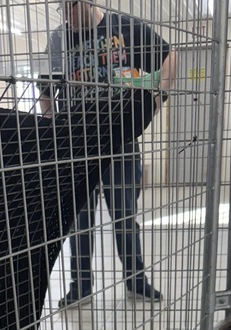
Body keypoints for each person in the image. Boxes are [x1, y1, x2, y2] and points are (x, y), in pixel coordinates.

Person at [39, 0, 176, 308]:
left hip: (120, 143)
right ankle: (80, 287)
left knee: (124, 216)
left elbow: (169, 56)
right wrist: (51, 130)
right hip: (76, 146)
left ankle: (136, 281)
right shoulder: (59, 38)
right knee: (80, 220)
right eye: (63, 9)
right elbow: (46, 91)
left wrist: (158, 95)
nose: (68, 15)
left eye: (72, 6)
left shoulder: (126, 27)